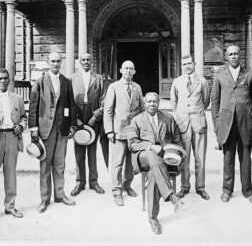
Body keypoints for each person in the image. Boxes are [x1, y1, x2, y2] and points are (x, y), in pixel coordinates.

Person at [211, 45, 252, 205]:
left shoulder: (249, 74)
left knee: (246, 158)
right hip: (227, 123)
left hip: (246, 123)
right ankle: (227, 190)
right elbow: (215, 102)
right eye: (230, 54)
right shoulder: (220, 75)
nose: (233, 56)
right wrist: (217, 124)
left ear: (240, 56)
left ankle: (248, 191)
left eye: (236, 53)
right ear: (226, 56)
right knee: (228, 157)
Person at [128, 92, 184, 235]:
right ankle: (171, 195)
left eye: (155, 101)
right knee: (153, 156)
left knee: (154, 173)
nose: (152, 104)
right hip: (143, 157)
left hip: (165, 159)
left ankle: (153, 218)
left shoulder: (168, 118)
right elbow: (132, 144)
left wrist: (175, 153)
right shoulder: (137, 120)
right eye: (149, 101)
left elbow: (178, 140)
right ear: (144, 103)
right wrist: (151, 146)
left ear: (159, 103)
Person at [29, 52, 77, 213]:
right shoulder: (40, 82)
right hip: (45, 130)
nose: (56, 64)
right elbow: (33, 107)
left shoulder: (66, 82)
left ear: (61, 63)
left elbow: (71, 105)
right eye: (53, 61)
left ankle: (60, 194)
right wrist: (33, 129)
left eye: (58, 61)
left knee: (60, 165)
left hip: (62, 129)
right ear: (48, 62)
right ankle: (44, 199)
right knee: (45, 166)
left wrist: (72, 125)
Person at [104, 60, 144, 206]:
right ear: (121, 70)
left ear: (134, 72)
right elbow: (108, 110)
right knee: (117, 163)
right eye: (126, 68)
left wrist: (142, 129)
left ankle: (127, 185)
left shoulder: (137, 87)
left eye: (131, 69)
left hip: (133, 132)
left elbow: (142, 109)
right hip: (118, 131)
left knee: (130, 163)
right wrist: (109, 130)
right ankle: (116, 190)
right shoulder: (113, 87)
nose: (128, 71)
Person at [170, 55, 210, 199]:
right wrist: (181, 116)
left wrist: (195, 113)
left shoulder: (203, 81)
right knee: (184, 158)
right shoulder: (177, 82)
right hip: (183, 125)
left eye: (189, 63)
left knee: (200, 158)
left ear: (194, 63)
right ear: (181, 66)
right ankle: (184, 187)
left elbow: (206, 101)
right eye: (184, 64)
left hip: (198, 123)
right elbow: (173, 103)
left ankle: (200, 187)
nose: (187, 66)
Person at [70, 53, 106, 196]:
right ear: (79, 62)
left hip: (92, 116)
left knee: (92, 150)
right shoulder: (72, 79)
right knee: (79, 151)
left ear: (92, 62)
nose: (86, 62)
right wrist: (75, 119)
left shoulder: (98, 79)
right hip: (78, 115)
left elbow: (104, 101)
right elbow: (69, 101)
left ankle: (93, 181)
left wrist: (95, 116)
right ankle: (80, 182)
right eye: (83, 60)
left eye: (88, 60)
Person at [0, 68, 27, 218]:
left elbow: (24, 117)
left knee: (10, 174)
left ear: (9, 80)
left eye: (5, 78)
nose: (3, 81)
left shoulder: (17, 98)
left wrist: (21, 126)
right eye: (0, 78)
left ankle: (10, 206)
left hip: (12, 137)